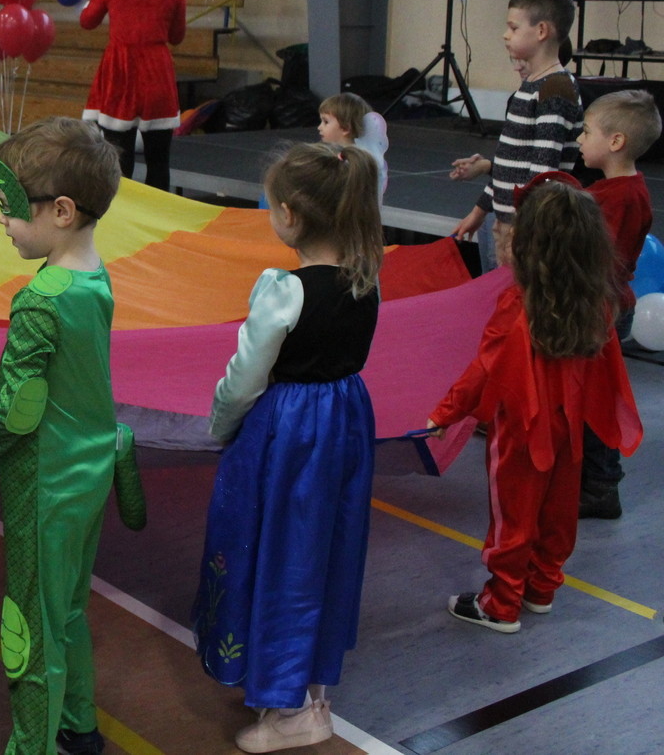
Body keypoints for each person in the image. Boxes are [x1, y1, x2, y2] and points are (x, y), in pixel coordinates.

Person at [193, 142, 384, 754]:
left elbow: (246, 375)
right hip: (344, 423)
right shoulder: (367, 279)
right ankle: (306, 686)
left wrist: (222, 424)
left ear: (289, 216)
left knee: (281, 555)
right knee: (321, 551)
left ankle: (291, 708)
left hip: (291, 433)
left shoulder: (285, 291)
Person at [0, 117, 123, 755]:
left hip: (44, 484)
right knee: (67, 607)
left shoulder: (39, 300)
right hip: (89, 471)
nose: (2, 220)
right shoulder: (94, 277)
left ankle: (33, 746)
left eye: (11, 206)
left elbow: (17, 410)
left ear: (61, 211)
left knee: (29, 622)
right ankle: (77, 725)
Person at [428, 174, 642, 632]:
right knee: (558, 509)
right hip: (570, 426)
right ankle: (541, 588)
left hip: (522, 429)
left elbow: (485, 368)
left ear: (527, 246)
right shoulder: (595, 301)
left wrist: (444, 413)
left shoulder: (518, 303)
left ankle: (500, 604)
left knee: (514, 514)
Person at [450, 0, 582, 265]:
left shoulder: (555, 89)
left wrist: (526, 227)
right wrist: (480, 211)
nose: (505, 35)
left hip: (527, 227)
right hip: (511, 221)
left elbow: (544, 171)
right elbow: (508, 166)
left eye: (513, 27)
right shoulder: (530, 87)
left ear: (542, 31)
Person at [574, 89, 659, 519]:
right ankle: (590, 478)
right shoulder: (615, 191)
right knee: (587, 397)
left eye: (586, 131)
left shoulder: (621, 198)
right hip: (601, 305)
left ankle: (601, 486)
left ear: (615, 141)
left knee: (595, 401)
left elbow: (597, 260)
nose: (579, 139)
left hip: (600, 309)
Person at [80, 0, 187, 191]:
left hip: (120, 71)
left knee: (119, 159)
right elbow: (176, 37)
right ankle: (157, 213)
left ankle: (121, 212)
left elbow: (87, 21)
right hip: (157, 72)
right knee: (159, 161)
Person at [318, 92, 389, 201]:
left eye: (325, 122)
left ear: (345, 128)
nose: (319, 127)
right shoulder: (349, 155)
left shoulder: (354, 161)